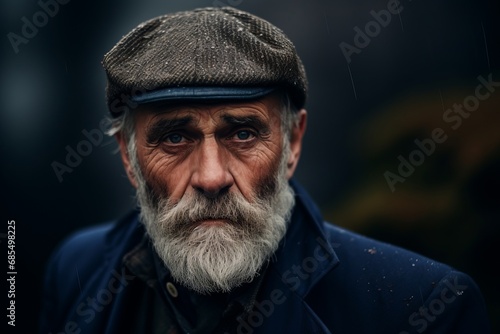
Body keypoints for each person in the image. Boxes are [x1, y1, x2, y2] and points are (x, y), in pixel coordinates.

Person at [39, 6, 491, 334]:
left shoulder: (424, 306)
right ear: (128, 157)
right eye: (175, 138)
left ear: (293, 143)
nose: (211, 177)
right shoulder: (76, 266)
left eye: (242, 134)